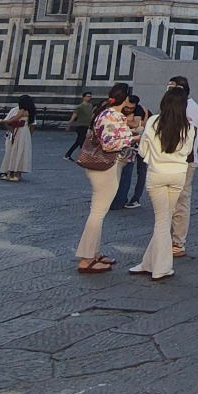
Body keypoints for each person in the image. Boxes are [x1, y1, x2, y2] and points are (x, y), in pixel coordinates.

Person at [131, 86, 198, 280]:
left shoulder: (153, 121)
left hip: (157, 174)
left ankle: (160, 268)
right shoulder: (189, 127)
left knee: (161, 221)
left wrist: (153, 157)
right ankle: (149, 263)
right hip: (178, 175)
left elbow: (143, 150)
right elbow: (187, 152)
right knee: (165, 219)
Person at [73, 82, 134, 273]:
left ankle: (94, 253)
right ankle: (86, 259)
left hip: (109, 166)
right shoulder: (110, 116)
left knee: (99, 211)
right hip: (105, 166)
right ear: (125, 98)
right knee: (97, 213)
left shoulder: (108, 113)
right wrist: (133, 139)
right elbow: (109, 144)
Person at [167, 75, 198, 257]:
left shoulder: (190, 107)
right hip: (174, 160)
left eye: (171, 87)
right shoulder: (178, 105)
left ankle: (178, 242)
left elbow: (190, 134)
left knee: (181, 201)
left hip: (184, 161)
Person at [108, 95, 148, 210]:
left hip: (141, 143)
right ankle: (121, 199)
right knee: (124, 172)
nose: (129, 109)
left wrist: (124, 120)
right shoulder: (120, 110)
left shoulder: (139, 110)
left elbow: (136, 125)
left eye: (131, 108)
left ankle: (135, 198)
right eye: (127, 107)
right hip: (128, 144)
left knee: (141, 171)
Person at [64, 92, 93, 160]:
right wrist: (68, 126)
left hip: (87, 125)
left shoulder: (90, 105)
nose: (89, 98)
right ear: (84, 97)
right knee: (82, 141)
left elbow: (91, 115)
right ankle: (83, 156)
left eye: (90, 96)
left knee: (79, 141)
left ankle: (68, 154)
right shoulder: (79, 107)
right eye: (88, 96)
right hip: (80, 126)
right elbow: (73, 118)